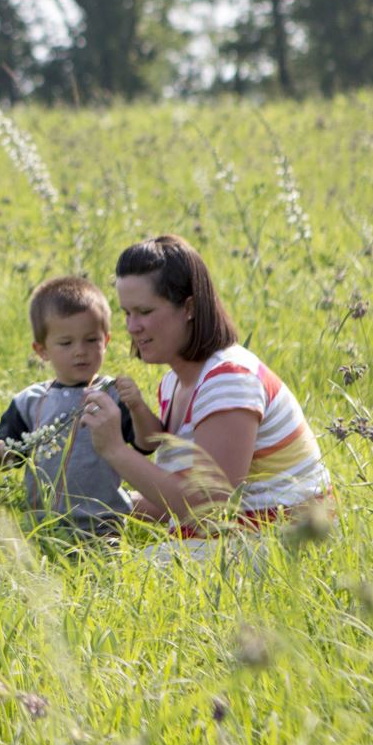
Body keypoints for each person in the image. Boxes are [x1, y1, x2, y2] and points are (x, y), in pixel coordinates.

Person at [76, 235, 331, 550]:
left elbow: (208, 507)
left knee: (104, 586)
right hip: (235, 539)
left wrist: (115, 450)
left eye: (144, 311)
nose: (132, 326)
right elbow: (173, 500)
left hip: (283, 545)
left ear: (189, 308)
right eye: (127, 313)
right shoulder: (173, 384)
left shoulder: (230, 380)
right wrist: (89, 503)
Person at [0, 275, 163, 536]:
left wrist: (137, 406)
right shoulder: (29, 402)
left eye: (91, 340)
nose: (80, 351)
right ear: (42, 350)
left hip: (104, 526)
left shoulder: (112, 395)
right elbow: (9, 456)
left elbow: (148, 443)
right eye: (66, 343)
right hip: (44, 527)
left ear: (106, 341)